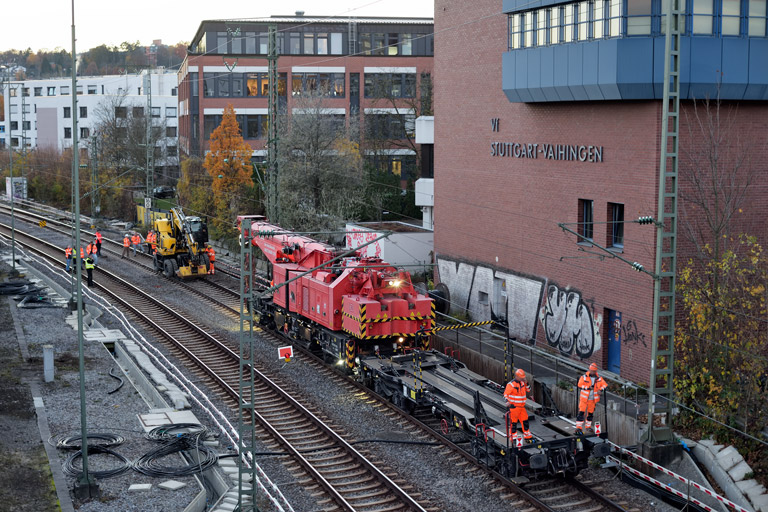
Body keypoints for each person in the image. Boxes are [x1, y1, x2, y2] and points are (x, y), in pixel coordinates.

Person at [575, 363, 608, 435]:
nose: (592, 372)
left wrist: (600, 390)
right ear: (589, 370)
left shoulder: (599, 379)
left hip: (592, 400)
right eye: (591, 370)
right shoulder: (584, 377)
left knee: (590, 413)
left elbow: (605, 385)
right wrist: (588, 388)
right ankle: (578, 427)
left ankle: (588, 426)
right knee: (581, 413)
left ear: (596, 371)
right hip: (584, 399)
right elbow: (579, 385)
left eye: (593, 371)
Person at [503, 368, 533, 443]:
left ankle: (527, 436)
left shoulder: (523, 383)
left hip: (522, 407)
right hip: (514, 407)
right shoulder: (511, 384)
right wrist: (507, 401)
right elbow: (505, 395)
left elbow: (528, 390)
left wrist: (526, 383)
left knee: (525, 421)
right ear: (517, 376)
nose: (522, 378)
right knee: (513, 423)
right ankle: (513, 437)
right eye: (521, 377)